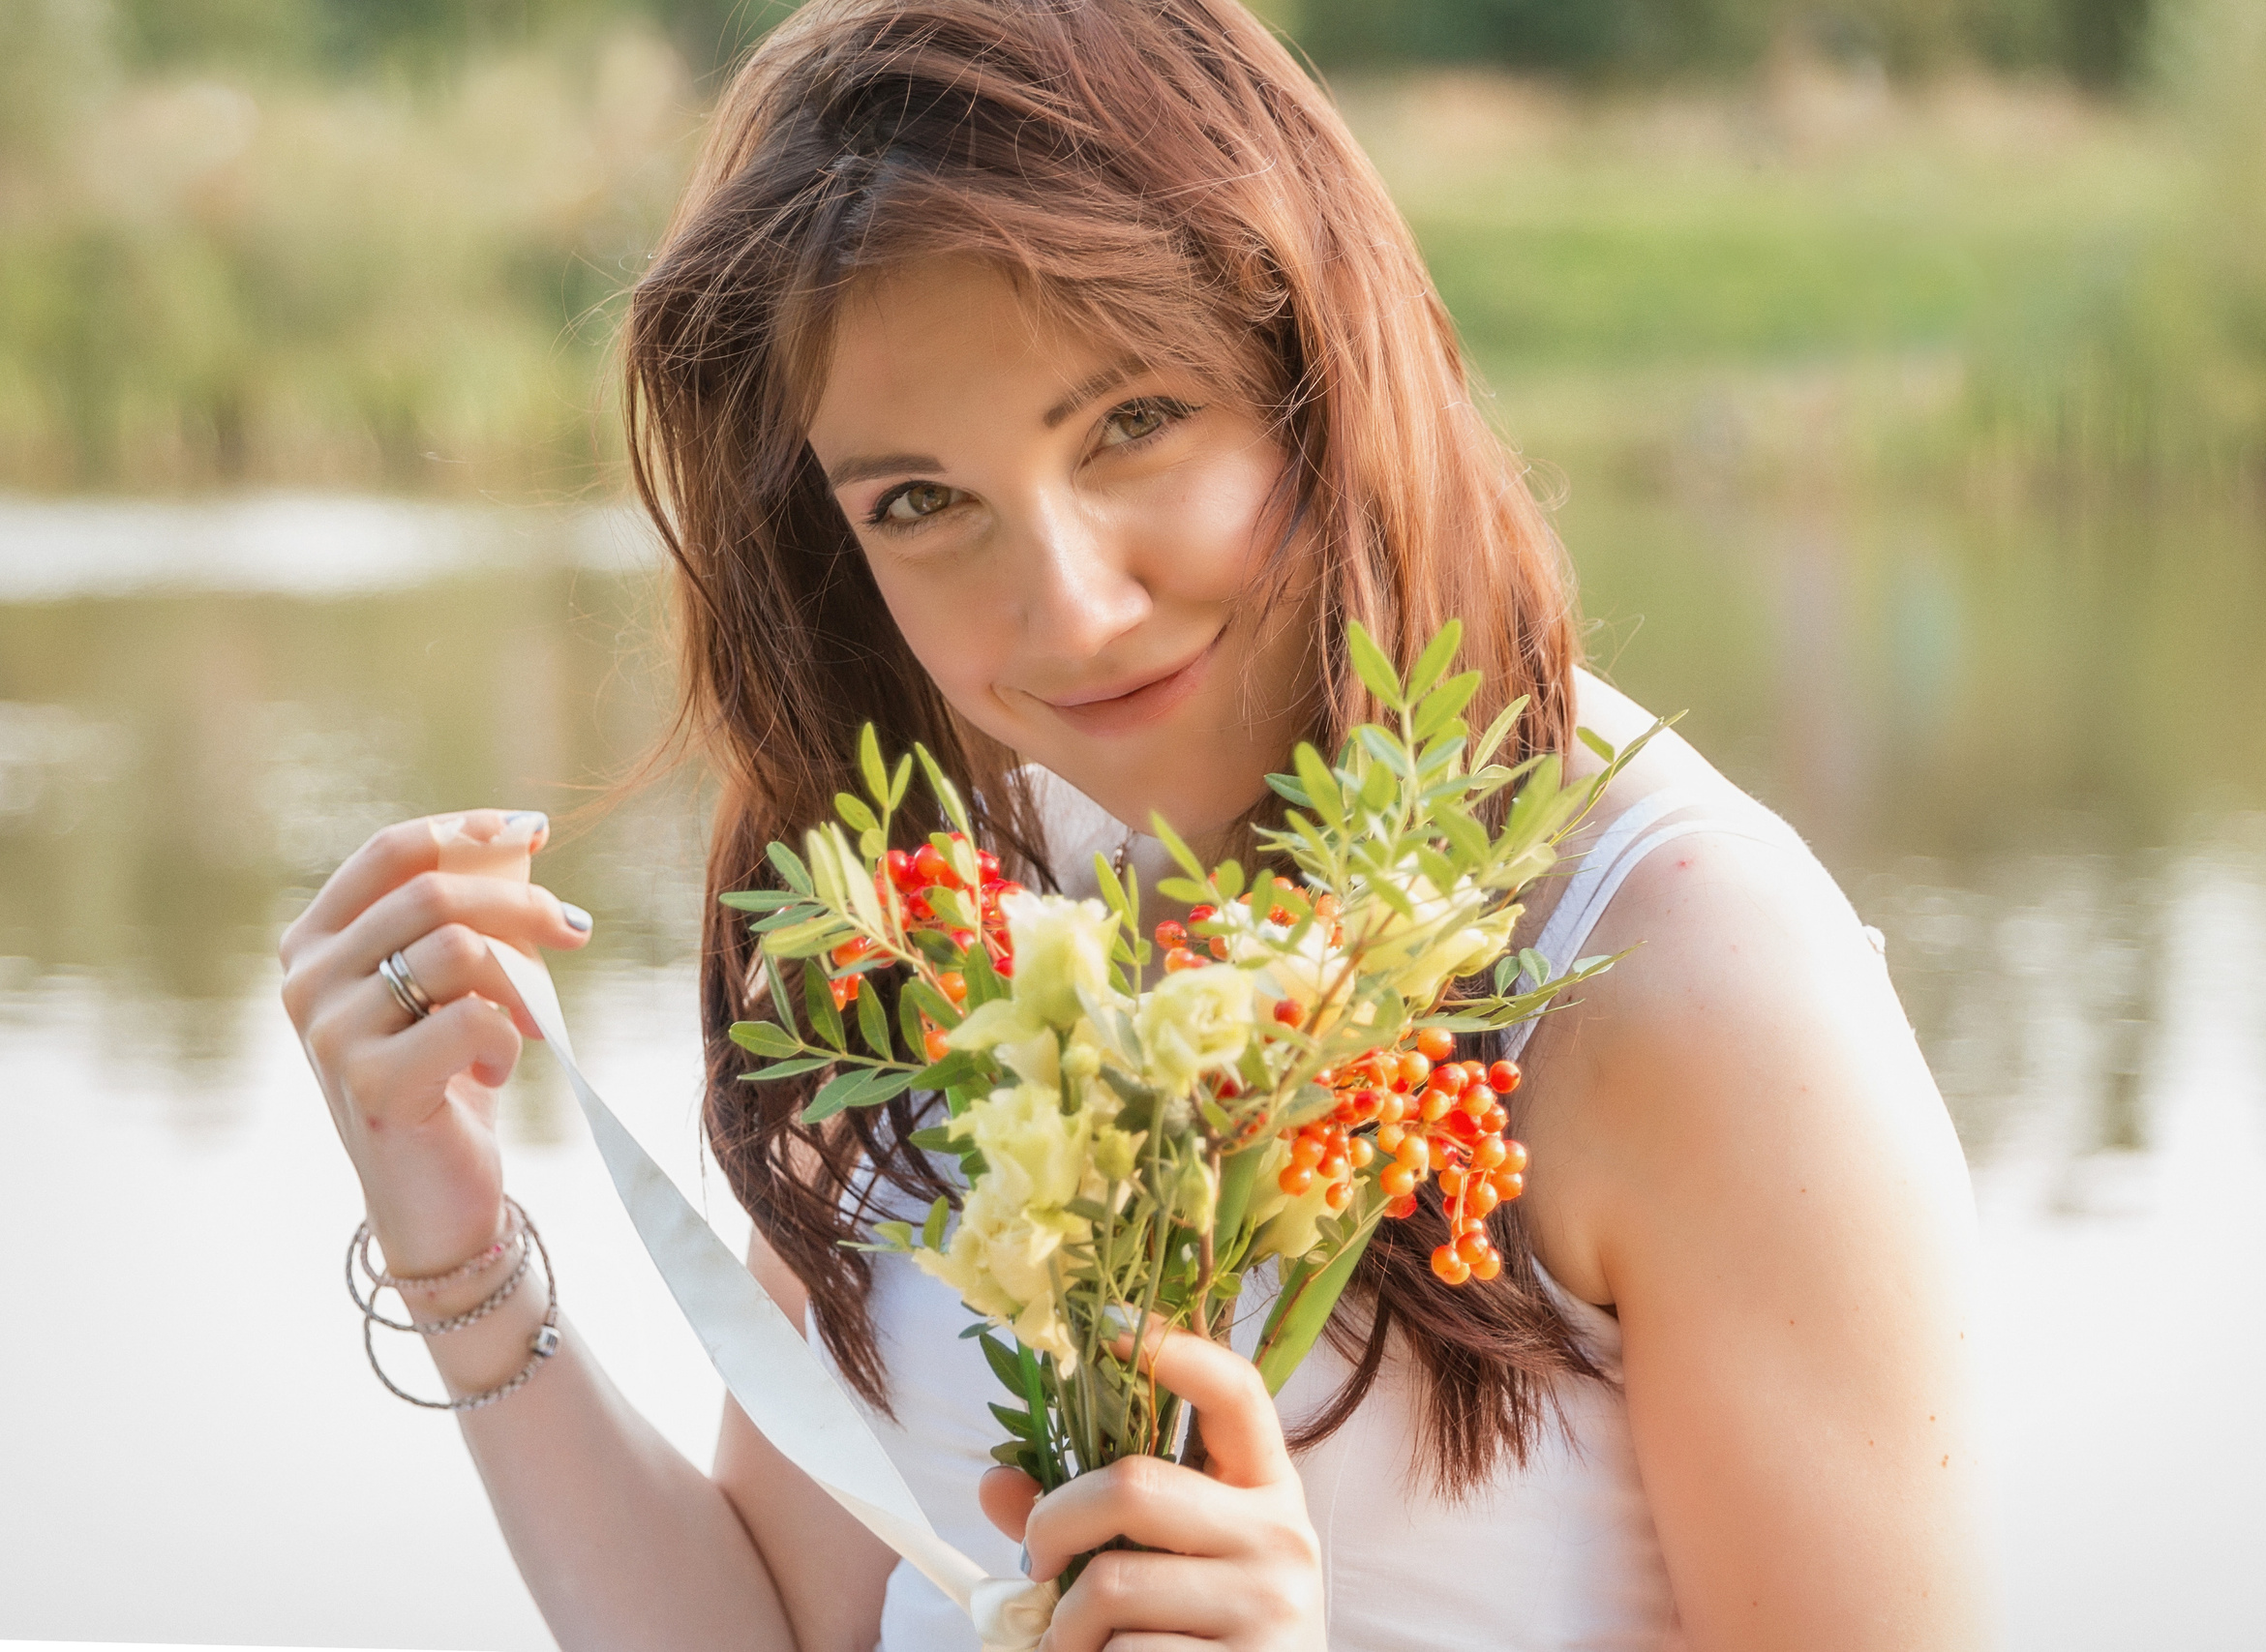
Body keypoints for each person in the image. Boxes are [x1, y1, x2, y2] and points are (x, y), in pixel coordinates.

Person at [277, 3, 1987, 1648]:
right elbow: (792, 1633)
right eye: (920, 503)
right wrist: (458, 1243)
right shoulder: (933, 899)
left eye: (1134, 424)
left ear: (1318, 362)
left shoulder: (1683, 967)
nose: (1071, 608)